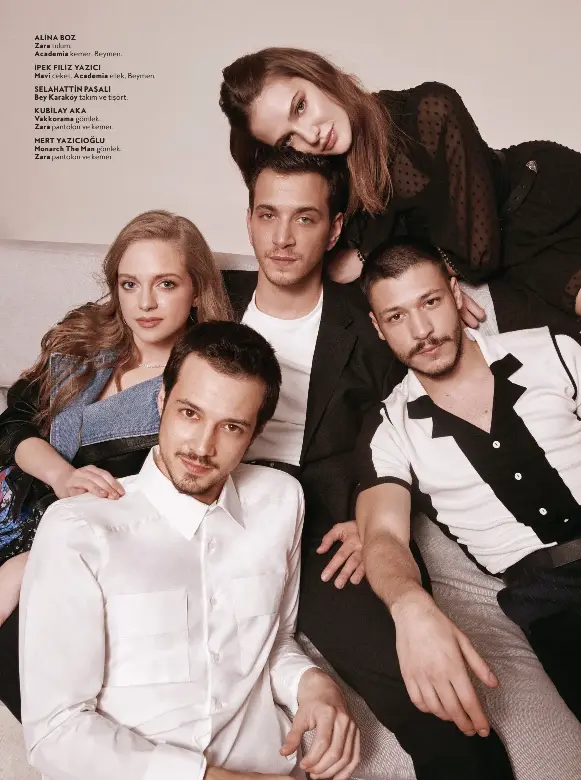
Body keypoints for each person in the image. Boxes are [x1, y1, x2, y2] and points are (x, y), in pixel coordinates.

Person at [222, 148, 514, 779]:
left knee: (436, 703)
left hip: (327, 527)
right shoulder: (206, 294)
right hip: (209, 500)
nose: (281, 237)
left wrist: (372, 509)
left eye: (304, 218)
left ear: (334, 230)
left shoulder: (373, 322)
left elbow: (411, 418)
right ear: (248, 219)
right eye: (268, 214)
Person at [19, 321, 360, 780]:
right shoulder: (79, 529)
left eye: (231, 427)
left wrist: (312, 683)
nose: (202, 447)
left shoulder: (280, 500)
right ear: (162, 400)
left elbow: (272, 639)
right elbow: (55, 734)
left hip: (272, 762)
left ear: (256, 432)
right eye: (190, 413)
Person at [0, 209, 232, 720]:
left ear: (196, 289)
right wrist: (60, 474)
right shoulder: (83, 339)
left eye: (166, 284)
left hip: (73, 540)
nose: (144, 303)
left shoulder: (202, 383)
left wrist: (30, 562)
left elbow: (169, 503)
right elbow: (11, 424)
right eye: (130, 284)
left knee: (33, 672)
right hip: (12, 498)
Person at [357, 238, 581, 730]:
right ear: (377, 327)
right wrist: (408, 603)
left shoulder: (553, 351)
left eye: (430, 302)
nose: (421, 331)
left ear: (456, 294)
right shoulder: (390, 429)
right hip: (551, 603)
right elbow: (383, 537)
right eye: (396, 317)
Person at [219, 46, 581, 332]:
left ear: (319, 75)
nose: (310, 134)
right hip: (511, 258)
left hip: (543, 202)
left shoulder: (430, 111)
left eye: (300, 106)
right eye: (288, 139)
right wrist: (421, 283)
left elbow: (477, 255)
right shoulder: (332, 182)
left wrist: (378, 260)